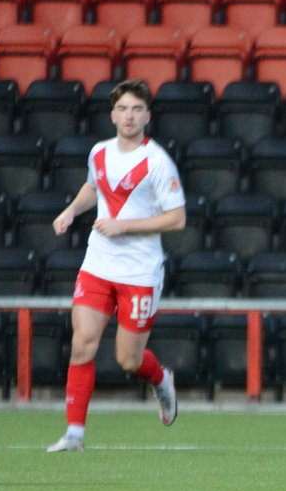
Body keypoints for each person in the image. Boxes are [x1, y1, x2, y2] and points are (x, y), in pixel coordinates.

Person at [45, 79, 186, 452]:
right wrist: (71, 210)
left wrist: (125, 225)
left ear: (147, 116)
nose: (129, 116)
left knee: (128, 359)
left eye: (137, 109)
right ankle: (75, 433)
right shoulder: (99, 153)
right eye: (123, 109)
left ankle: (160, 380)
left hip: (139, 271)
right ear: (112, 114)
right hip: (98, 263)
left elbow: (177, 219)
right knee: (82, 346)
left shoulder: (157, 162)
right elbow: (94, 187)